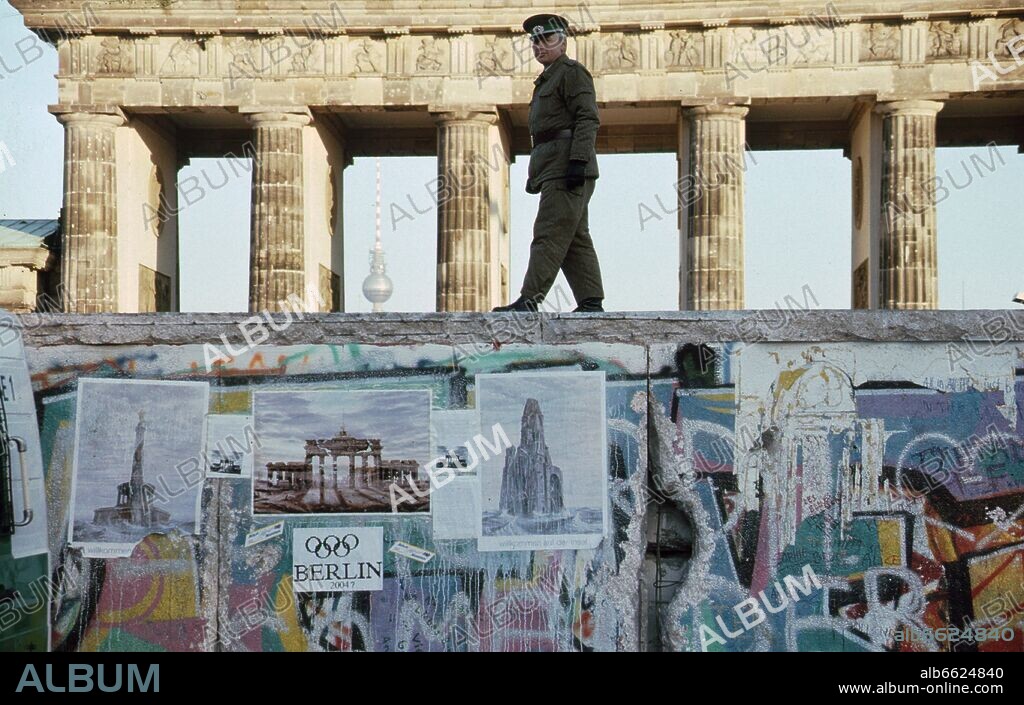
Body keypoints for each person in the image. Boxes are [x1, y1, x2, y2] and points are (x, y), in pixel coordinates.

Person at [493, 14, 605, 313]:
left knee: (549, 232)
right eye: (535, 41)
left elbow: (587, 118)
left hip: (567, 165)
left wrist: (578, 161)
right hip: (555, 165)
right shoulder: (548, 77)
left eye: (547, 39)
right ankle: (591, 301)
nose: (540, 46)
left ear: (563, 41)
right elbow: (543, 134)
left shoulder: (572, 73)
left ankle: (530, 300)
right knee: (574, 235)